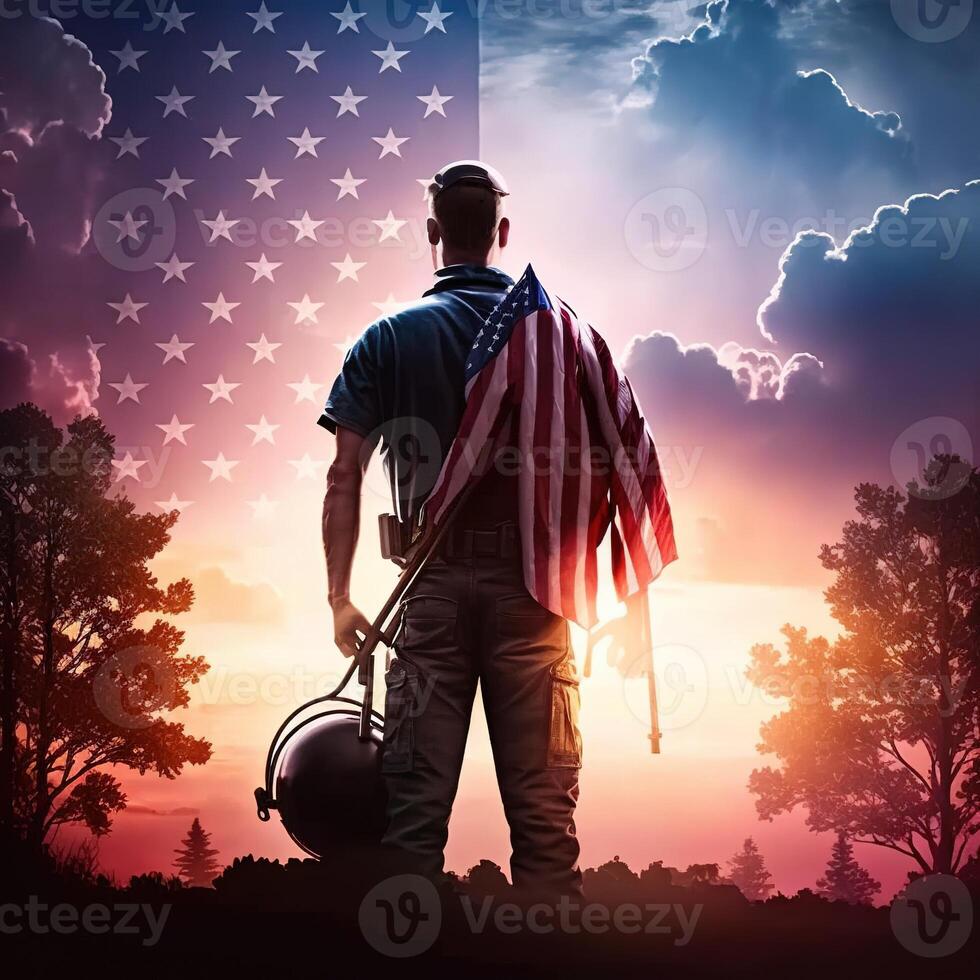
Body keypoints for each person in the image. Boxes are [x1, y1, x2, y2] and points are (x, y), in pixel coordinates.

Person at [319, 160, 583, 897]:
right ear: (502, 234)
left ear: (432, 233)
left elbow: (344, 476)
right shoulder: (559, 338)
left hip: (426, 594)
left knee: (409, 831)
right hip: (536, 594)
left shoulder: (385, 339)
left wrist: (340, 598)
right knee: (545, 831)